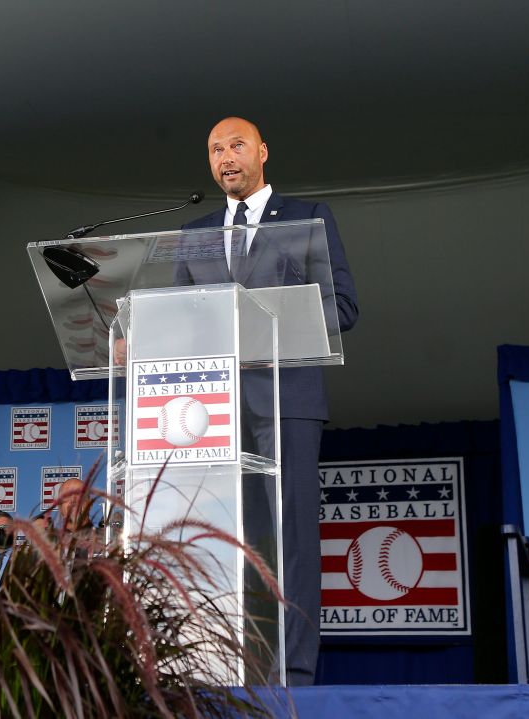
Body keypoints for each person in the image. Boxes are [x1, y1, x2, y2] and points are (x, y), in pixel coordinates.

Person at [172, 116, 359, 686]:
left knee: (292, 540)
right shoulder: (195, 231)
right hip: (214, 412)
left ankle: (294, 671)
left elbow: (342, 308)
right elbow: (181, 322)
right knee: (234, 540)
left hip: (286, 397)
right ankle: (237, 665)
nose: (225, 157)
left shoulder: (308, 216)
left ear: (263, 152)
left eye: (236, 146)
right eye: (214, 149)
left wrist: (262, 321)